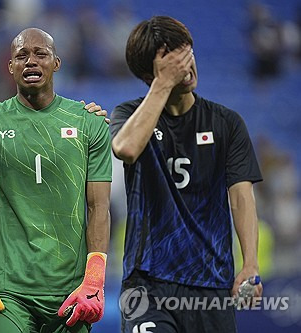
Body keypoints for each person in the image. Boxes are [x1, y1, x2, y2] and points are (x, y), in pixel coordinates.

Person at [110, 16, 263, 333]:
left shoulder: (226, 123)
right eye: (173, 61)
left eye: (187, 54)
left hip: (211, 283)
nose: (186, 66)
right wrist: (163, 84)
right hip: (147, 281)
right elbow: (125, 148)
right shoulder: (128, 115)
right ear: (149, 72)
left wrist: (250, 263)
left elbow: (241, 196)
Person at [0, 28, 112, 332]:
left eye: (40, 53)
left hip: (71, 290)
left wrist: (94, 279)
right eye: (22, 55)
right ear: (10, 67)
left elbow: (99, 206)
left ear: (56, 63)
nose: (31, 61)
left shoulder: (88, 123)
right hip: (8, 290)